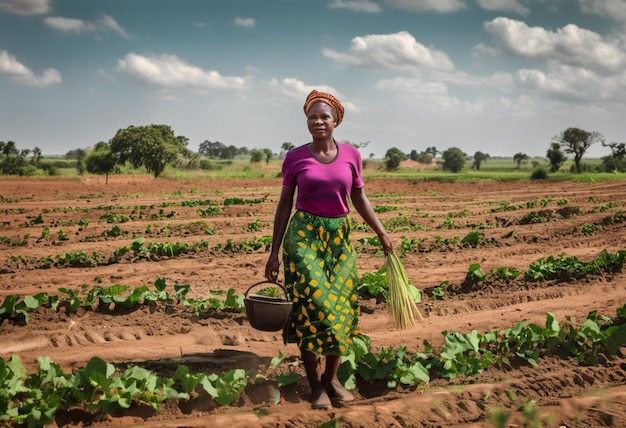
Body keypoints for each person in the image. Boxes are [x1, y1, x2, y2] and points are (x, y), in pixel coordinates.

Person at [264, 89, 393, 410]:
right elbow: (284, 206)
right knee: (313, 307)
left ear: (336, 121)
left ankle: (331, 379)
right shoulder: (295, 157)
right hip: (304, 237)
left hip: (339, 239)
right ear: (306, 121)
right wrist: (274, 251)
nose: (318, 121)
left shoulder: (351, 155)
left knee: (342, 309)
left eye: (324, 117)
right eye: (312, 117)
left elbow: (359, 198)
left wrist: (381, 232)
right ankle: (314, 385)